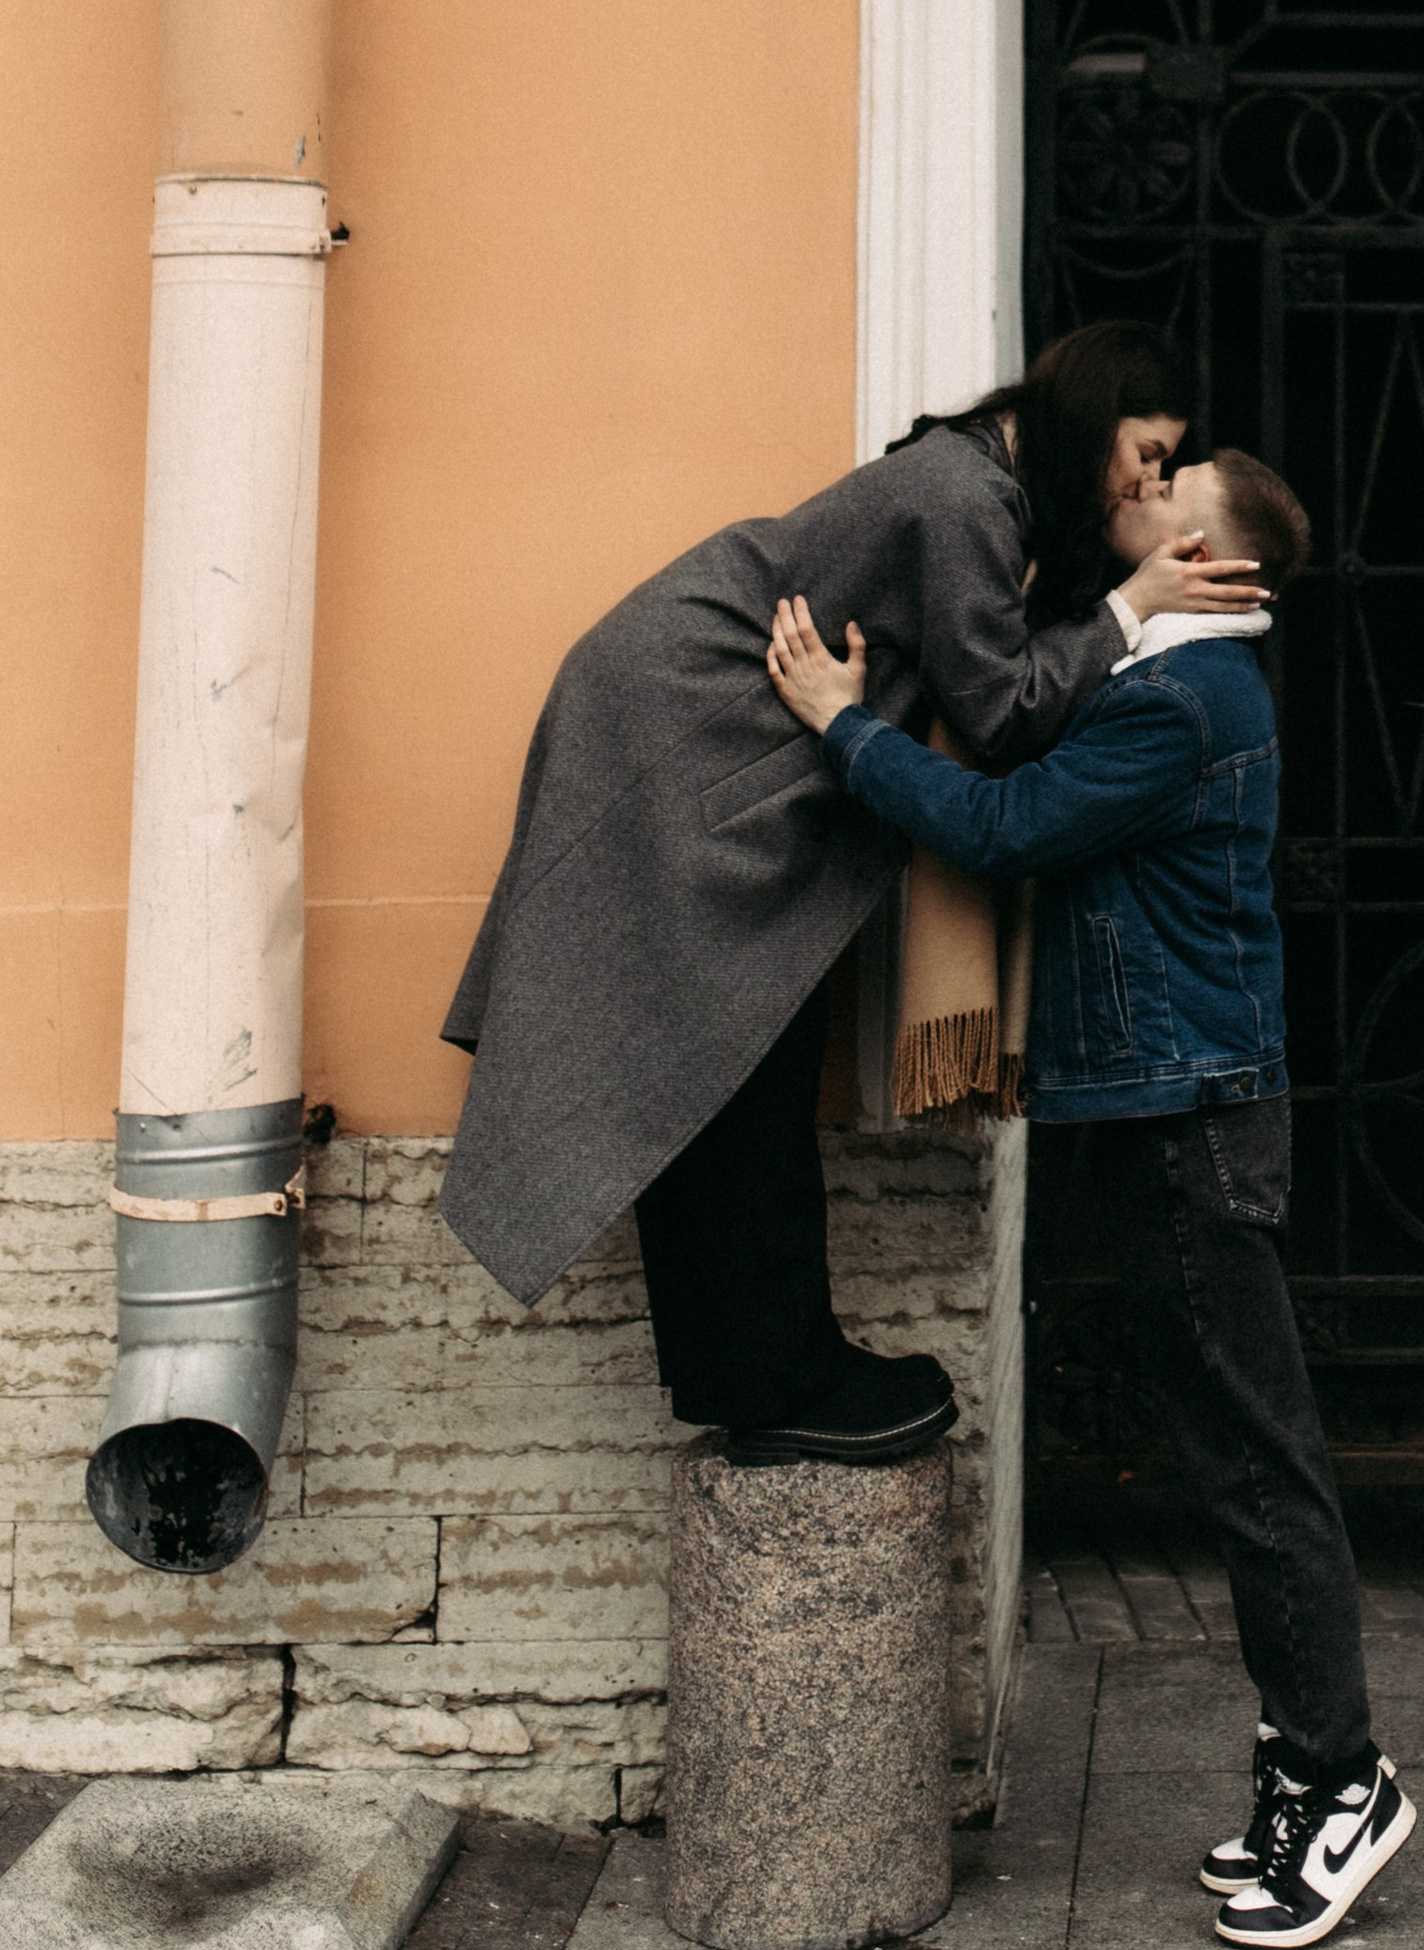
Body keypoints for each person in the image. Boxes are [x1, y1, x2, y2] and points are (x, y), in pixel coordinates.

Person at [766, 447, 1417, 1950]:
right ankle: (1301, 1764)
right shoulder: (1166, 681)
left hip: (1186, 1113)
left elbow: (1001, 827)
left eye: (1166, 476)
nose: (1136, 474)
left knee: (1260, 1461)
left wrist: (841, 725)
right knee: (1235, 1447)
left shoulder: (1185, 702)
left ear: (1204, 547)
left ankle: (1341, 1780)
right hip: (1166, 1103)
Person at [438, 322, 1262, 1465]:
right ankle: (780, 1377)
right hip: (682, 724)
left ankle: (752, 1372)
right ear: (1099, 411)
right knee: (739, 1050)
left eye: (1166, 468)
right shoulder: (966, 496)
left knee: (730, 1055)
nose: (1149, 481)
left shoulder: (987, 479)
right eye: (1150, 450)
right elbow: (1002, 712)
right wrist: (1128, 608)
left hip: (693, 724)